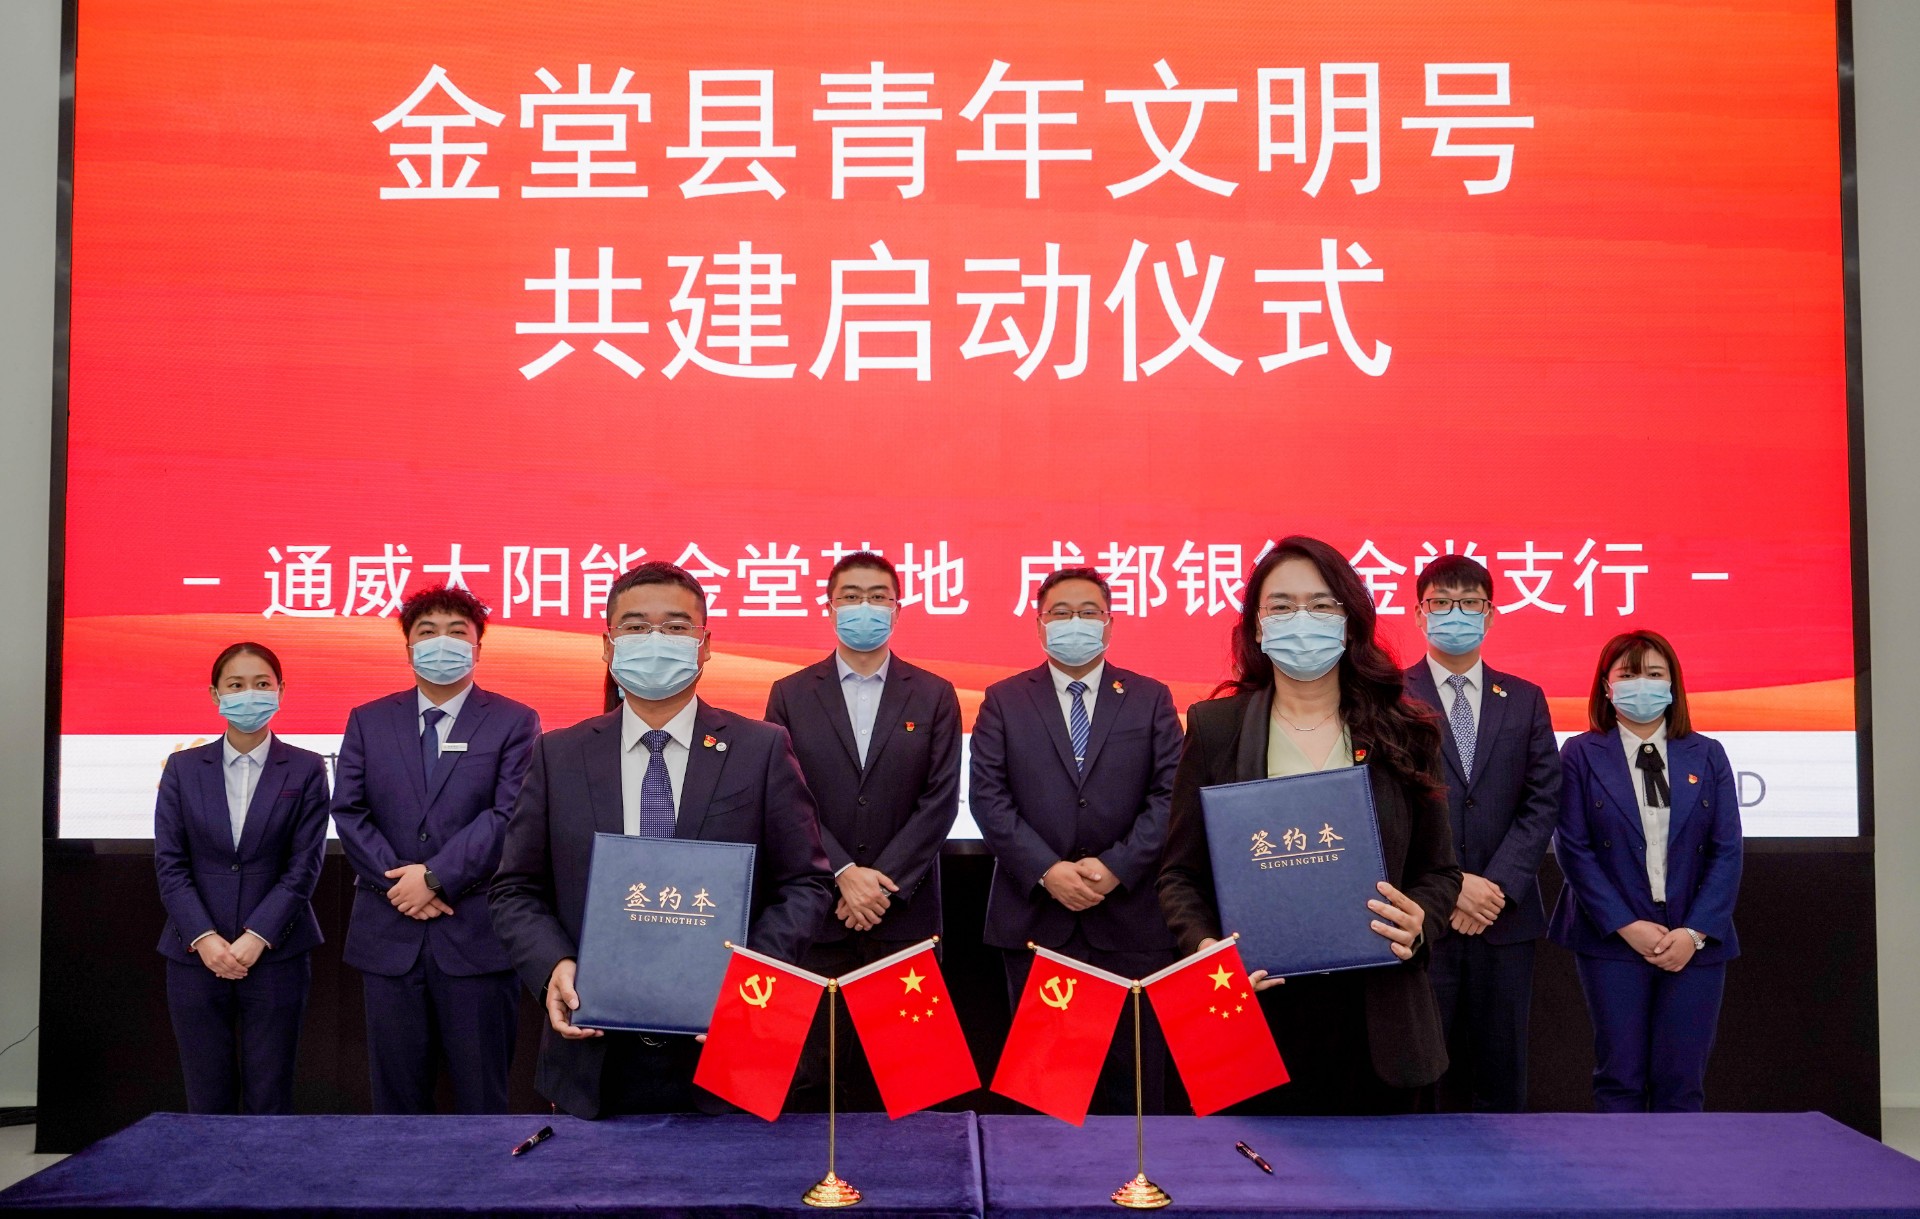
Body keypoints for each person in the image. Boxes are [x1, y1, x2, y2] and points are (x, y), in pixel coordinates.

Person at [490, 561, 834, 1118]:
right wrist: (554, 965)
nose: (655, 640)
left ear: (705, 645)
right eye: (635, 626)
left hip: (732, 1046)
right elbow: (515, 889)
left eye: (675, 627)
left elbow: (805, 884)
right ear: (608, 646)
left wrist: (749, 980)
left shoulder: (761, 748)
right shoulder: (559, 754)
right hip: (594, 1052)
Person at [1158, 535, 1461, 1115]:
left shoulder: (1407, 730)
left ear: (1350, 621)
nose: (1303, 619)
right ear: (1257, 625)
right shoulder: (1216, 729)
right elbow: (1180, 875)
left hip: (1380, 1024)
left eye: (1322, 605)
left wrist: (1421, 920)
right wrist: (1207, 951)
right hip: (1255, 1018)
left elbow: (1440, 872)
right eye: (1282, 605)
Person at [971, 566, 1184, 1114]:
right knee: (1047, 1095)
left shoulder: (1150, 697)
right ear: (1039, 624)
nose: (1075, 622)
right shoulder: (1003, 699)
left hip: (1133, 919)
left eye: (1089, 612)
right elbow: (988, 799)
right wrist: (1047, 870)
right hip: (1036, 918)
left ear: (1110, 623)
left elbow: (1170, 796)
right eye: (1061, 613)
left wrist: (1116, 867)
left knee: (1134, 1090)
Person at [330, 585, 540, 1115]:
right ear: (408, 647)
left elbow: (508, 814)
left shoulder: (515, 721)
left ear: (477, 647)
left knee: (482, 1097)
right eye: (427, 632)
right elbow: (350, 811)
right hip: (388, 933)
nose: (441, 642)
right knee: (396, 1102)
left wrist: (435, 877)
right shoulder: (368, 719)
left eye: (456, 632)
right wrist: (401, 884)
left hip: (475, 934)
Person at [764, 551, 962, 1111]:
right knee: (813, 1085)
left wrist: (880, 884)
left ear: (898, 609)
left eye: (878, 597)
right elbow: (785, 798)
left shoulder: (934, 693)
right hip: (817, 917)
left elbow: (940, 800)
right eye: (851, 596)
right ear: (828, 607)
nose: (864, 607)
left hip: (904, 918)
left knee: (911, 1083)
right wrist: (844, 873)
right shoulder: (790, 693)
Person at [1549, 630, 1742, 1113]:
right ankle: (1622, 1166)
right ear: (1606, 685)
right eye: (1629, 674)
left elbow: (1727, 851)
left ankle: (1678, 1166)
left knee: (1682, 1080)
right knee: (1620, 1078)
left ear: (1673, 684)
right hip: (1612, 937)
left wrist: (1694, 932)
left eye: (1655, 674)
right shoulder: (1579, 753)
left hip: (1693, 937)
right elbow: (1573, 848)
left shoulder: (1707, 754)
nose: (1643, 684)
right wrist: (1625, 925)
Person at [1403, 554, 1560, 1112]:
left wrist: (1494, 886)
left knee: (1501, 1084)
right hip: (1424, 921)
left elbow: (1543, 800)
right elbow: (1385, 805)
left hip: (1504, 919)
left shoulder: (1525, 697)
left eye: (1470, 603)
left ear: (1490, 614)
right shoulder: (1390, 697)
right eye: (1441, 603)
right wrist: (1451, 886)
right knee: (1424, 1081)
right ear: (1419, 614)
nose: (1456, 613)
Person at [153, 642, 328, 1114]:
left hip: (277, 953)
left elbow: (304, 865)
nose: (249, 693)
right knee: (205, 1094)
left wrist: (257, 936)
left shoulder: (307, 767)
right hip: (195, 956)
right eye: (236, 684)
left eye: (261, 684)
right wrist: (205, 938)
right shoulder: (183, 768)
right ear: (215, 694)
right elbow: (170, 863)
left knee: (271, 1094)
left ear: (280, 691)